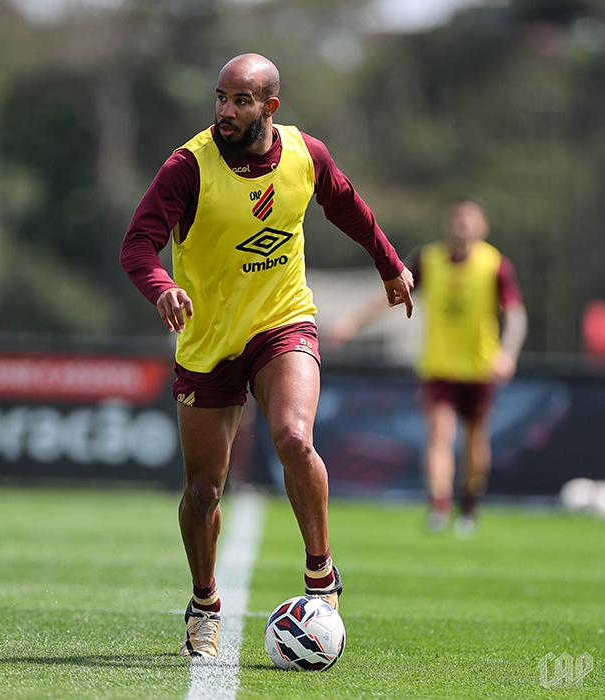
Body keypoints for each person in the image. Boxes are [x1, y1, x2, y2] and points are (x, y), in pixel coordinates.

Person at [120, 53, 414, 659]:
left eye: (240, 100)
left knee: (294, 438)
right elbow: (137, 245)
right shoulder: (188, 167)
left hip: (282, 323)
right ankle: (204, 605)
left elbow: (348, 207)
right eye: (220, 98)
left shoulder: (307, 155)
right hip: (207, 341)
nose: (225, 111)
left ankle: (321, 576)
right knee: (204, 490)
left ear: (270, 107)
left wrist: (390, 265)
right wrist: (161, 287)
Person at [329, 197, 527, 537]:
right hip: (439, 366)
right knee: (438, 434)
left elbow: (516, 314)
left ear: (483, 226)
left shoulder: (495, 265)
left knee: (475, 440)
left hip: (479, 367)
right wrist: (353, 322)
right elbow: (393, 293)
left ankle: (469, 506)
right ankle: (439, 506)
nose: (462, 225)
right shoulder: (429, 260)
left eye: (470, 219)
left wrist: (507, 353)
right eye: (457, 218)